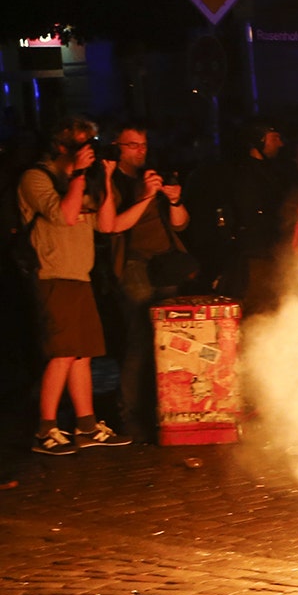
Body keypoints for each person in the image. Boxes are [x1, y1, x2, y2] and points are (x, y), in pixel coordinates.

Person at [17, 117, 134, 454]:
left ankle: (86, 424)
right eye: (82, 143)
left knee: (82, 355)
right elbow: (65, 215)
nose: (89, 150)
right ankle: (46, 429)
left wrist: (107, 178)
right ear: (62, 146)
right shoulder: (36, 178)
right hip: (51, 275)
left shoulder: (82, 181)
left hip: (80, 276)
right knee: (62, 354)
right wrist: (80, 176)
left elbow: (108, 223)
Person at [106, 124, 190, 443]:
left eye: (144, 144)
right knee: (140, 339)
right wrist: (144, 197)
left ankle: (166, 407)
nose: (140, 150)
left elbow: (180, 225)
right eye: (133, 145)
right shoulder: (113, 181)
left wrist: (174, 200)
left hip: (165, 264)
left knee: (167, 341)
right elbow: (114, 226)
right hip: (134, 265)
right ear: (118, 146)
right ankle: (130, 413)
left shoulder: (154, 175)